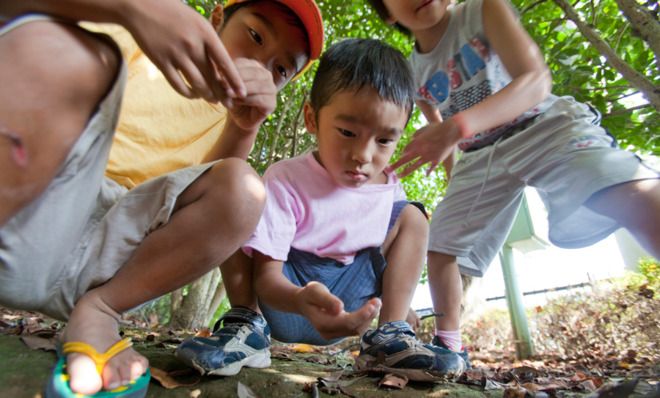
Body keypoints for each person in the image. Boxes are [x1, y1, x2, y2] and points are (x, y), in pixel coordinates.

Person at [0, 0, 322, 395]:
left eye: (281, 69)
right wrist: (134, 10)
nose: (260, 63)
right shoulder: (135, 37)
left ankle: (99, 311)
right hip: (42, 203)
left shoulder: (236, 122)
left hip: (116, 257)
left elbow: (213, 208)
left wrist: (245, 126)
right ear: (216, 19)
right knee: (76, 51)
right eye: (255, 35)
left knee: (244, 188)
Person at [366, 0, 660, 367]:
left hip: (542, 126)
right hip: (479, 155)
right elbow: (439, 131)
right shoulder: (413, 72)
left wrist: (456, 128)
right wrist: (452, 176)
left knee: (628, 188)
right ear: (388, 12)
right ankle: (450, 347)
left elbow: (535, 80)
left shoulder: (484, 10)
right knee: (439, 243)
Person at [176, 38, 467, 378]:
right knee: (238, 193)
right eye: (347, 132)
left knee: (413, 217)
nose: (364, 155)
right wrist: (301, 299)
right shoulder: (285, 179)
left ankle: (389, 340)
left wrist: (399, 309)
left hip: (352, 301)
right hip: (284, 298)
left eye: (384, 140)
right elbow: (268, 280)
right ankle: (244, 325)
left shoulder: (389, 188)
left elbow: (390, 260)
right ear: (312, 119)